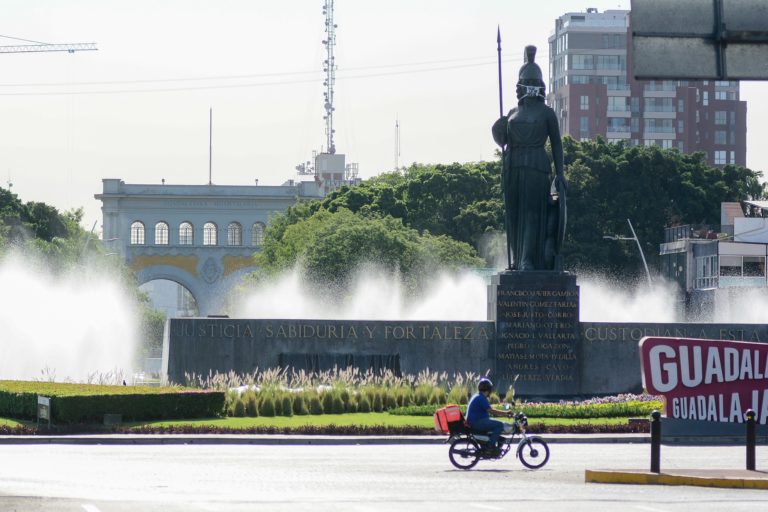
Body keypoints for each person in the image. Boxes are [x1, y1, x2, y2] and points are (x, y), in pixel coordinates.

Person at [492, 45, 566, 271]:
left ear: (539, 85)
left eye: (534, 83)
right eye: (527, 83)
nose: (531, 87)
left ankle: (527, 260)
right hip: (513, 166)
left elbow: (556, 144)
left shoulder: (547, 113)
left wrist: (561, 174)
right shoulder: (513, 112)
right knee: (514, 216)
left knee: (532, 215)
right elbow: (501, 138)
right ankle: (517, 259)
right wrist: (501, 127)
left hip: (536, 167)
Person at [465, 378, 511, 455]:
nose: (491, 392)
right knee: (499, 425)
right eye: (490, 389)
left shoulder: (478, 396)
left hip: (476, 421)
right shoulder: (481, 398)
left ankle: (491, 442)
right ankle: (490, 447)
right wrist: (506, 413)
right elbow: (491, 411)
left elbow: (489, 409)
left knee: (495, 424)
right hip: (477, 422)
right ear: (487, 389)